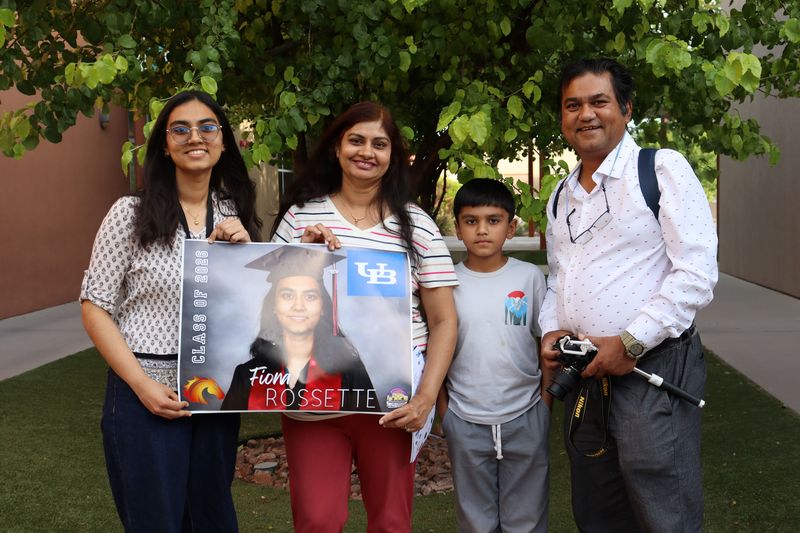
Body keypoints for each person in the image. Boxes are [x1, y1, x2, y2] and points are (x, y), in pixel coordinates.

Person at [539, 58, 718, 532]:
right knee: (598, 507)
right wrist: (550, 329)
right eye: (572, 105)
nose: (586, 114)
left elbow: (697, 273)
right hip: (585, 371)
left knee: (663, 504)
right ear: (562, 117)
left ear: (626, 108)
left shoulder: (660, 169)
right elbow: (558, 276)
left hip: (650, 364)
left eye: (599, 101)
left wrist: (631, 341)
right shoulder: (561, 193)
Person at [271, 101, 458, 532]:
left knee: (391, 521)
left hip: (393, 400)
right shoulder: (301, 216)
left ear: (394, 156)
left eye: (380, 143)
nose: (366, 152)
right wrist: (307, 254)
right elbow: (271, 303)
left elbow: (445, 320)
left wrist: (425, 397)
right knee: (318, 520)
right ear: (337, 147)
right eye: (356, 140)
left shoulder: (417, 226)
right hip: (313, 397)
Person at [80, 90, 261, 532]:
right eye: (180, 129)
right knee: (156, 522)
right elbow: (94, 305)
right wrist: (141, 387)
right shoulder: (129, 214)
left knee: (212, 518)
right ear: (164, 143)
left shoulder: (233, 212)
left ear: (222, 142)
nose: (194, 137)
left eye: (207, 128)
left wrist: (248, 252)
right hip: (145, 391)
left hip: (214, 392)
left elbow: (251, 310)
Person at [440, 178, 550, 532]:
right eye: (471, 221)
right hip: (465, 416)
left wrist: (545, 404)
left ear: (511, 226)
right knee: (475, 519)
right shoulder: (446, 283)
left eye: (493, 220)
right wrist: (446, 413)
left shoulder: (529, 277)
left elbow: (547, 345)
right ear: (457, 228)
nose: (482, 230)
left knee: (526, 519)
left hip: (526, 414)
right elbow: (434, 353)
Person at [220, 245, 379, 412]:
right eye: (288, 295)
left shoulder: (349, 370)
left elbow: (368, 430)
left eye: (310, 296)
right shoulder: (248, 374)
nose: (298, 306)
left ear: (323, 307)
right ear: (274, 306)